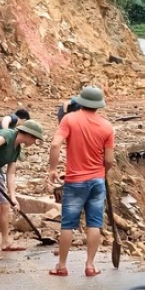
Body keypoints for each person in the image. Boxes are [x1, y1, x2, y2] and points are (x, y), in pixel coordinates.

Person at [48, 86, 115, 277]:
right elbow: (109, 160)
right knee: (94, 223)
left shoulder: (69, 119)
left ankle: (62, 266)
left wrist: (53, 169)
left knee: (68, 224)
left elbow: (55, 144)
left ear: (81, 102)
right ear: (99, 105)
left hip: (75, 181)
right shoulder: (107, 126)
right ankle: (90, 266)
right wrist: (103, 172)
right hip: (97, 181)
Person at [0, 121, 45, 261]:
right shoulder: (7, 135)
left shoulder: (16, 149)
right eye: (35, 139)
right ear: (29, 135)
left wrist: (13, 197)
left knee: (5, 206)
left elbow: (10, 174)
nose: (34, 142)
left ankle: (6, 242)